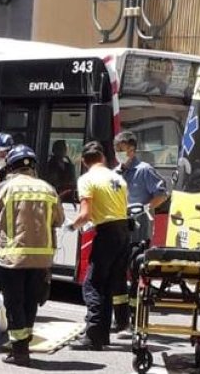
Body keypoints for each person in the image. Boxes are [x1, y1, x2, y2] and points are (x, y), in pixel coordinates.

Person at [0, 145, 63, 366]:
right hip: (41, 259)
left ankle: (20, 352)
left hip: (12, 259)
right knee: (30, 303)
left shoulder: (5, 188)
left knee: (14, 304)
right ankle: (24, 346)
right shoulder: (48, 189)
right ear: (33, 166)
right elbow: (59, 220)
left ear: (11, 167)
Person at [68, 143, 130, 350]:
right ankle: (102, 336)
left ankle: (93, 334)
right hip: (123, 233)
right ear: (103, 158)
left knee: (92, 285)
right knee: (108, 285)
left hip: (107, 234)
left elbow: (85, 214)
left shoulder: (87, 179)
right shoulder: (118, 178)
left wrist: (72, 226)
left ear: (84, 162)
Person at [113, 131, 169, 331]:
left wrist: (145, 208)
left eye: (121, 149)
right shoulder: (115, 173)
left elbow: (162, 194)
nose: (118, 153)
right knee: (117, 276)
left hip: (138, 232)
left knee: (136, 275)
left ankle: (134, 318)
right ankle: (120, 319)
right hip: (117, 231)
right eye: (116, 149)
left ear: (132, 149)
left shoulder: (144, 170)